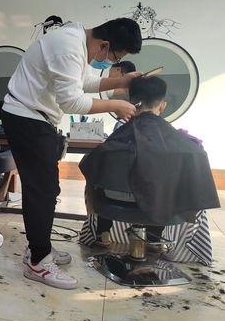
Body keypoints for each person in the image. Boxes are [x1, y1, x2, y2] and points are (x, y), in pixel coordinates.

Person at [1, 18, 143, 290]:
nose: (110, 61)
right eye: (115, 57)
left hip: (35, 117)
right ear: (105, 45)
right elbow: (72, 102)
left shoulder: (76, 40)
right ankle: (38, 262)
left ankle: (39, 248)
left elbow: (85, 81)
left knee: (46, 189)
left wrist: (120, 80)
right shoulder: (68, 46)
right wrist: (117, 105)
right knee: (42, 190)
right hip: (27, 118)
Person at [79, 76, 220, 262]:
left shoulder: (119, 137)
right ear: (162, 106)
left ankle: (102, 233)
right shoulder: (182, 145)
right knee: (166, 188)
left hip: (114, 201)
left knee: (96, 178)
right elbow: (196, 179)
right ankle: (154, 240)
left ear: (131, 103)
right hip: (161, 203)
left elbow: (91, 165)